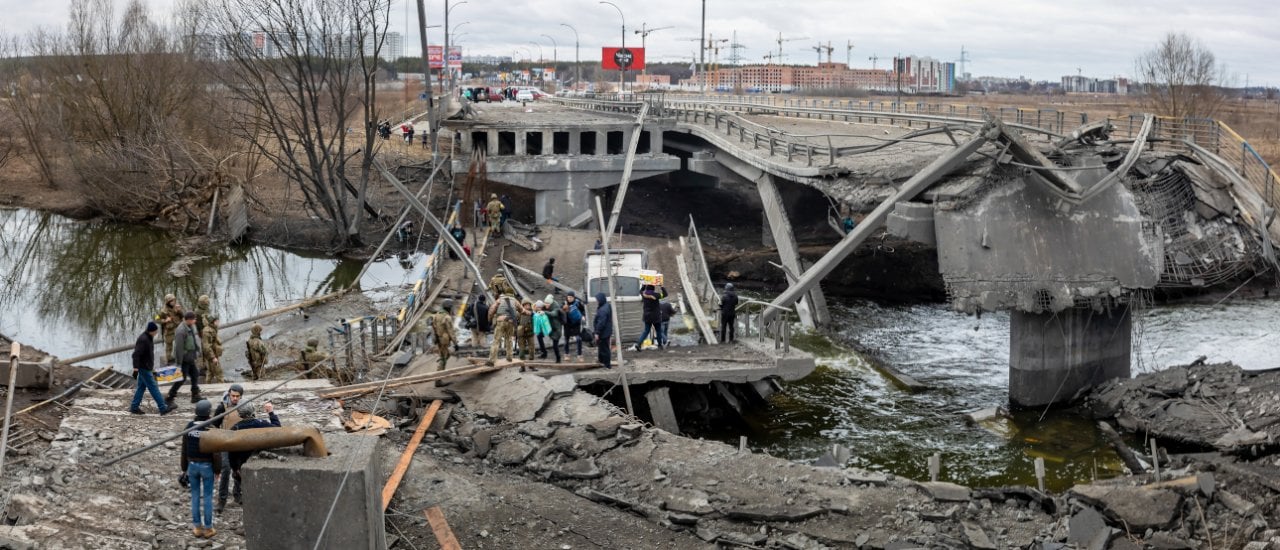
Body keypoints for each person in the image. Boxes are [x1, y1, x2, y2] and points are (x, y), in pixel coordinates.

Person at [227, 402, 281, 508]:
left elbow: (231, 451)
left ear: (239, 414)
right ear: (253, 411)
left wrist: (234, 468)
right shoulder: (260, 424)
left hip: (241, 463)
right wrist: (271, 412)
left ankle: (238, 499)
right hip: (258, 460)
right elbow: (278, 430)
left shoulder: (235, 428)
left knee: (238, 480)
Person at [180, 399, 221, 539]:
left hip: (192, 466)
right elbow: (216, 453)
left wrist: (184, 469)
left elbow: (184, 450)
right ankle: (208, 528)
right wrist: (217, 470)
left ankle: (197, 527)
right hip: (207, 466)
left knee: (195, 496)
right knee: (208, 497)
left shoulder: (189, 427)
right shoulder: (211, 428)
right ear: (208, 413)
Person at [130, 321, 175, 415]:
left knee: (141, 388)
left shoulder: (149, 337)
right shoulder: (143, 339)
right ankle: (163, 408)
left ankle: (134, 407)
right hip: (144, 368)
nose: (156, 333)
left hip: (146, 367)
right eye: (155, 331)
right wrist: (135, 369)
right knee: (153, 387)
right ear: (152, 331)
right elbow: (136, 355)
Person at [213, 384, 245, 512]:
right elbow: (214, 426)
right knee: (225, 470)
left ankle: (237, 494)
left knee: (239, 470)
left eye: (237, 396)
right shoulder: (222, 407)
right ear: (229, 394)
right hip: (225, 443)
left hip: (239, 443)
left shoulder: (245, 407)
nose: (235, 398)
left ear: (241, 396)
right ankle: (222, 500)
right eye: (233, 396)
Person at [167, 311, 202, 406]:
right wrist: (178, 363)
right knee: (181, 379)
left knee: (195, 374)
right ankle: (170, 397)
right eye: (194, 319)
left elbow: (193, 341)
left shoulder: (190, 327)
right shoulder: (181, 331)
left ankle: (195, 395)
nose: (195, 321)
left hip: (190, 358)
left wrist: (198, 349)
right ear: (189, 320)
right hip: (184, 360)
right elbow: (179, 348)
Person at [487, 291, 520, 365]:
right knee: (509, 339)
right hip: (511, 322)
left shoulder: (499, 300)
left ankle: (492, 360)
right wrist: (516, 317)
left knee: (496, 341)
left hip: (500, 321)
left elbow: (491, 310)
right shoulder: (515, 300)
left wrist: (489, 320)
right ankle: (509, 357)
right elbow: (521, 311)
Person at [633, 285, 668, 351]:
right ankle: (660, 345)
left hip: (647, 316)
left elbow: (640, 291)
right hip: (656, 317)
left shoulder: (644, 295)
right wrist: (662, 287)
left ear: (647, 288)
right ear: (653, 289)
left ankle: (639, 344)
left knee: (646, 331)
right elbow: (665, 294)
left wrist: (643, 286)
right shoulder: (656, 295)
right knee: (658, 331)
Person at [430, 300, 457, 371]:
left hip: (438, 339)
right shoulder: (447, 317)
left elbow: (434, 327)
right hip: (444, 340)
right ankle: (439, 376)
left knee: (446, 355)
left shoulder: (437, 315)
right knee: (444, 357)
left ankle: (441, 364)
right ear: (449, 308)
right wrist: (455, 343)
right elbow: (451, 332)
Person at [158, 294, 184, 365]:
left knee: (180, 344)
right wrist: (165, 320)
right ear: (168, 302)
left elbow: (183, 317)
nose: (173, 302)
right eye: (171, 301)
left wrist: (179, 311)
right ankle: (169, 359)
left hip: (178, 329)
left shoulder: (176, 307)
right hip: (169, 331)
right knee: (169, 346)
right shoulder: (163, 311)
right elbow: (156, 319)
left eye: (174, 300)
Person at [562, 291, 586, 361]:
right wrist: (563, 309)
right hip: (567, 324)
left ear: (574, 297)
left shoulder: (578, 303)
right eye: (568, 297)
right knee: (566, 340)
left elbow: (583, 310)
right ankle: (566, 354)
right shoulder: (564, 303)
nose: (569, 298)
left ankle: (580, 355)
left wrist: (583, 316)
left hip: (576, 324)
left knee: (579, 339)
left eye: (571, 297)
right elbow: (560, 311)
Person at [592, 293, 613, 369]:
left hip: (603, 332)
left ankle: (607, 365)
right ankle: (601, 361)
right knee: (602, 347)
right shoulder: (606, 305)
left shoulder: (603, 310)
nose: (596, 301)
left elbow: (601, 323)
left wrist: (597, 332)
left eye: (597, 300)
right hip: (606, 331)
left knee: (604, 348)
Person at [202, 315, 224, 384]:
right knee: (219, 373)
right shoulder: (207, 331)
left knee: (210, 372)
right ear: (213, 322)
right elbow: (207, 346)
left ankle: (207, 387)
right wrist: (213, 357)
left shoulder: (213, 329)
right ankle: (222, 388)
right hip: (211, 356)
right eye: (217, 321)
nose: (218, 322)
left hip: (213, 354)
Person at [543, 293, 563, 363]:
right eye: (545, 303)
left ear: (550, 303)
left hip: (557, 329)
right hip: (551, 328)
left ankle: (558, 359)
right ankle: (557, 358)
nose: (546, 305)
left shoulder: (556, 307)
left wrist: (544, 312)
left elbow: (553, 314)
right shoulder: (548, 305)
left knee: (555, 345)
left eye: (547, 304)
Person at [532, 300, 551, 367]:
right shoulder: (537, 310)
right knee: (540, 340)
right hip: (540, 329)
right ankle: (543, 352)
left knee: (540, 340)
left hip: (541, 329)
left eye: (539, 307)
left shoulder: (540, 312)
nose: (538, 308)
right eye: (537, 307)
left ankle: (544, 352)